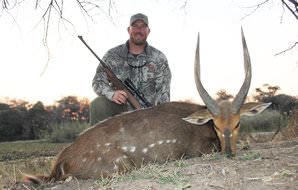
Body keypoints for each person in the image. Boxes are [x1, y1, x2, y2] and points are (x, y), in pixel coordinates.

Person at [90, 13, 171, 125]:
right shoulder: (112, 55)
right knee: (98, 104)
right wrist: (112, 94)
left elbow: (164, 94)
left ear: (148, 31)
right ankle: (96, 141)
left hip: (149, 114)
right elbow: (97, 82)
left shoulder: (159, 58)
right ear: (129, 30)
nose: (139, 30)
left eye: (143, 26)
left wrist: (157, 116)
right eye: (135, 26)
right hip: (120, 111)